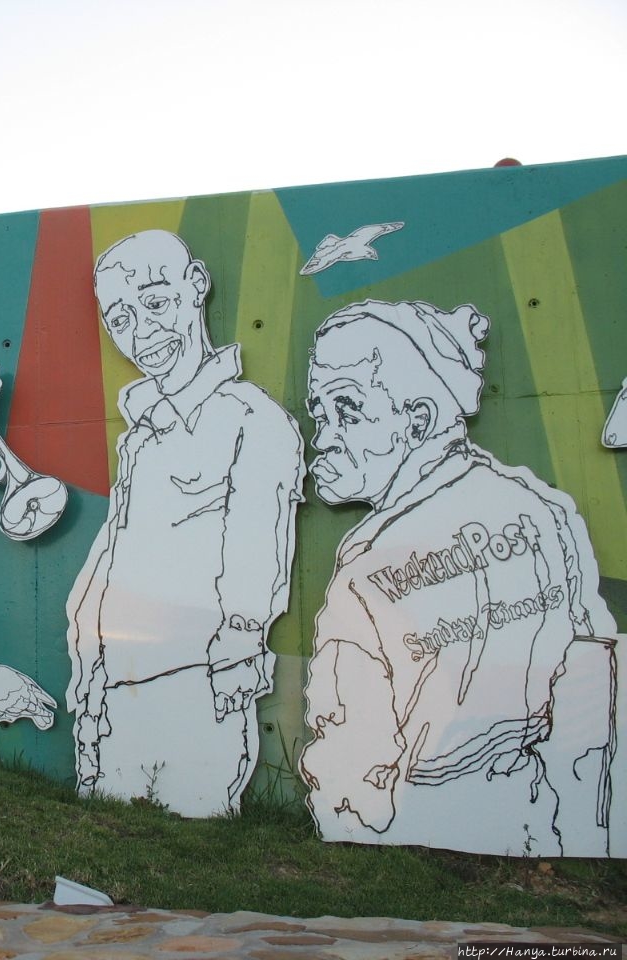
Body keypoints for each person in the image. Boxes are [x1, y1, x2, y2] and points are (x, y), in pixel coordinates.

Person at [299, 299, 617, 856]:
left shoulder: (369, 559)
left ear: (417, 420)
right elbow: (594, 671)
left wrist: (347, 815)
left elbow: (348, 735)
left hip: (412, 814)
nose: (322, 437)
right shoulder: (543, 510)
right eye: (319, 414)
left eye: (347, 411)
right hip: (541, 814)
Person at [65, 229, 304, 817]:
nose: (142, 332)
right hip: (118, 677)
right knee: (114, 825)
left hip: (198, 679)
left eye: (155, 302)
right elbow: (115, 548)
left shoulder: (253, 420)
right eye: (120, 318)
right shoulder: (142, 434)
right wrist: (86, 654)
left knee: (195, 822)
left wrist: (240, 647)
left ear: (196, 285)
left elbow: (260, 547)